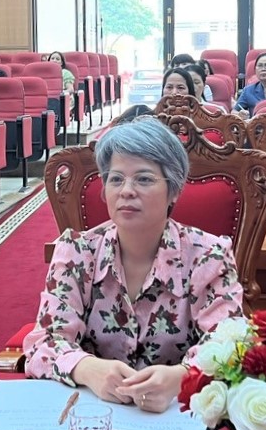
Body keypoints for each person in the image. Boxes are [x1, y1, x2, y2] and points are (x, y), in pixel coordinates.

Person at [23, 119, 244, 412]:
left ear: (174, 191)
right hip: (92, 418)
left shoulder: (209, 256)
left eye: (144, 179)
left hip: (177, 417)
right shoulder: (77, 253)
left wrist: (183, 377)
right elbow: (45, 341)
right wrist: (87, 369)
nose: (126, 190)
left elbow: (231, 343)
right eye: (116, 179)